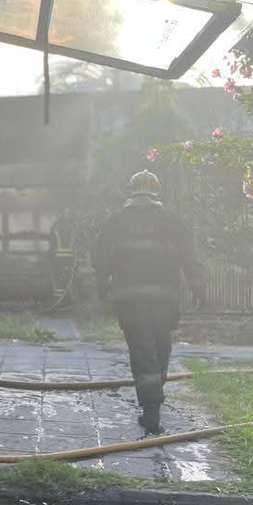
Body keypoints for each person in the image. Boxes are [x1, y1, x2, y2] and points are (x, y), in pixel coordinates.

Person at [92, 171, 205, 433]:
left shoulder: (117, 220)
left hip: (131, 300)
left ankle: (151, 408)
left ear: (131, 191)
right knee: (160, 347)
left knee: (142, 352)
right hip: (165, 300)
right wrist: (198, 286)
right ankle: (155, 400)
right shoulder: (171, 220)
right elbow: (190, 255)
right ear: (157, 191)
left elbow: (99, 253)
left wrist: (102, 283)